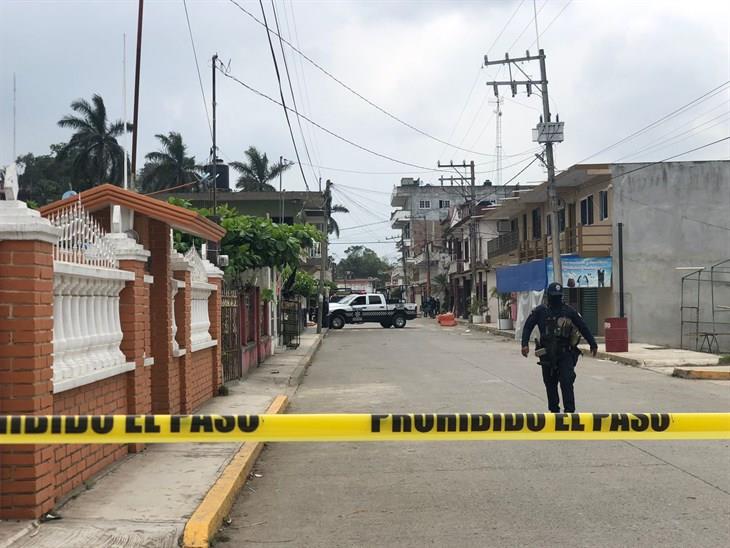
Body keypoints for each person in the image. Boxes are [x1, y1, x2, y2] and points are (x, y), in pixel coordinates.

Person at [520, 282, 598, 413]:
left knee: (567, 382)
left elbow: (582, 326)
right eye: (553, 296)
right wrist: (524, 344)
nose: (556, 299)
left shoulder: (569, 311)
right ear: (548, 296)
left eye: (558, 296)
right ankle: (554, 412)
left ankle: (569, 412)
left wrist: (593, 343)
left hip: (565, 353)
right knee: (550, 385)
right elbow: (528, 326)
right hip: (546, 354)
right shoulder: (540, 311)